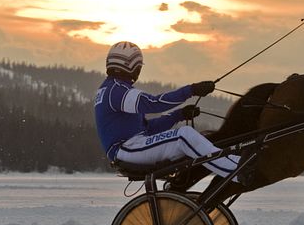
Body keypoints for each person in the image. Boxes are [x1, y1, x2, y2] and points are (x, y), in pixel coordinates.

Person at [94, 41, 239, 179]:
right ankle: (235, 171)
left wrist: (178, 115)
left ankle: (230, 163)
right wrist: (191, 90)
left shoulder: (112, 89)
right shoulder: (117, 90)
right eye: (139, 67)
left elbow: (147, 128)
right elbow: (155, 104)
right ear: (131, 66)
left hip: (131, 147)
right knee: (184, 136)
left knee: (188, 137)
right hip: (126, 149)